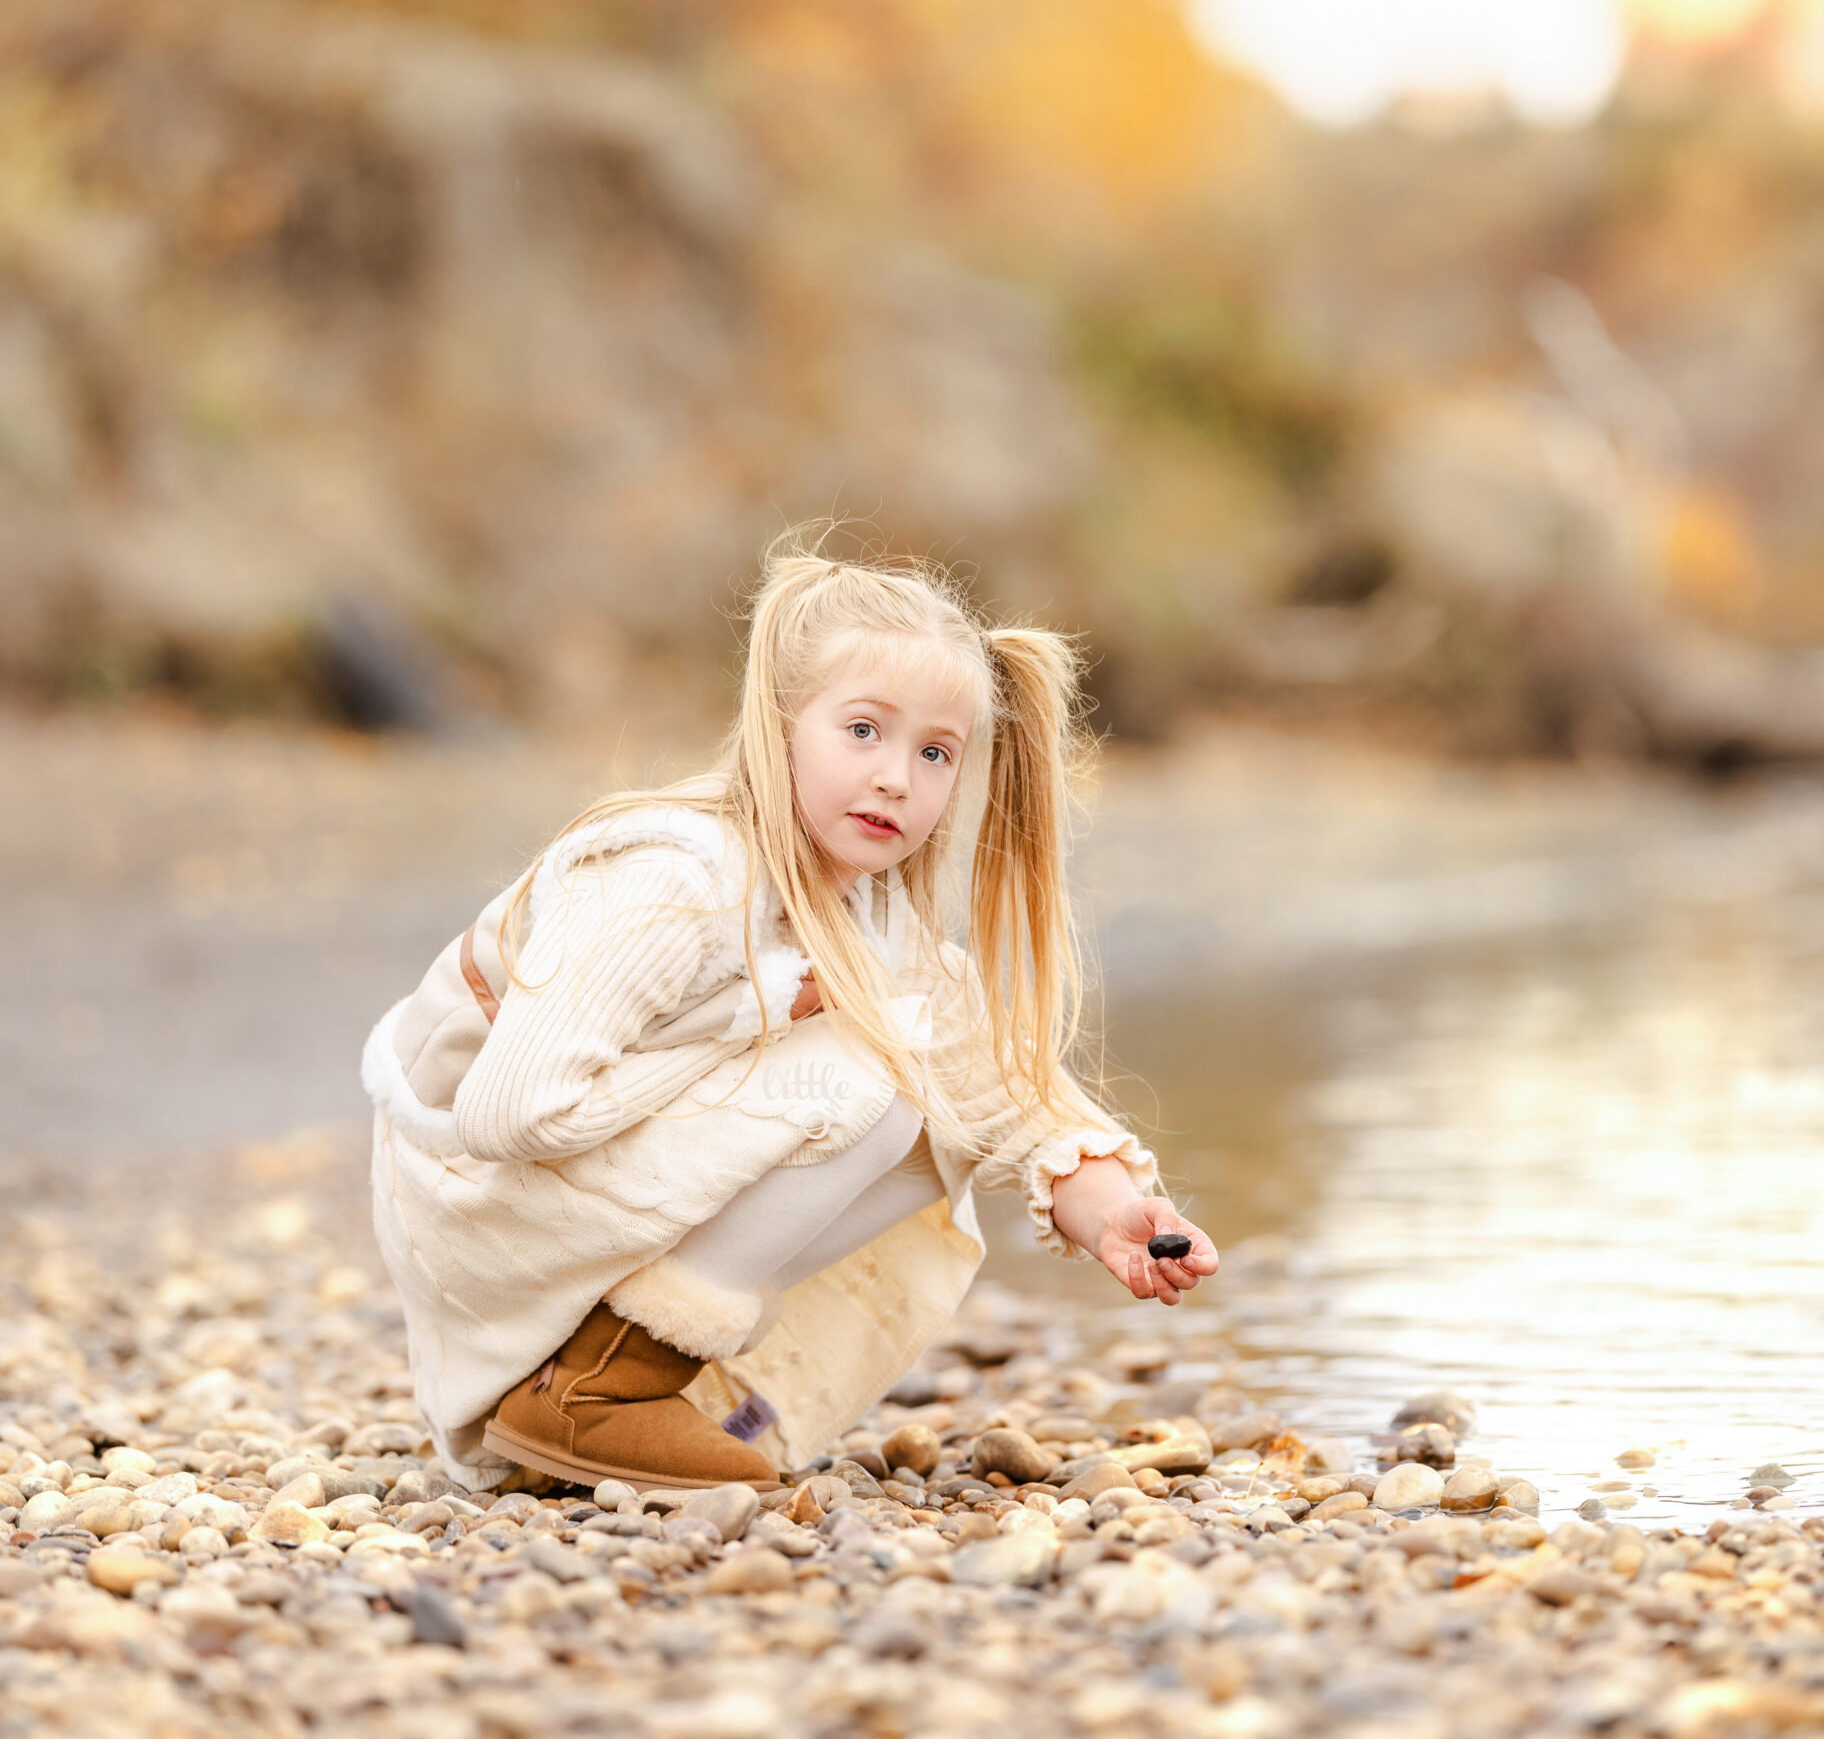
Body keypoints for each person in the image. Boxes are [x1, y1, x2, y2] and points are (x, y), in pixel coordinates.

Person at [362, 544, 1215, 1493]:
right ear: (780, 729)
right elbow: (506, 1116)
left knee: (928, 1100)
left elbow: (997, 1090)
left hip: (553, 1183)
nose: (897, 777)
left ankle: (628, 1380)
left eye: (934, 752)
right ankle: (589, 1392)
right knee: (867, 1079)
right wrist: (760, 1018)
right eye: (862, 730)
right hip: (474, 1194)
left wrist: (1108, 1211)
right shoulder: (676, 880)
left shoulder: (869, 910)